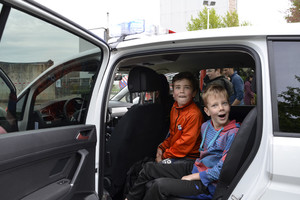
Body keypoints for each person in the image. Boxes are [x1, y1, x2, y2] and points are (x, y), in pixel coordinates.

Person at [125, 84, 240, 200]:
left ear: (229, 105)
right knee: (148, 168)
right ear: (207, 111)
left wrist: (193, 177)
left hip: (209, 184)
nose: (221, 108)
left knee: (159, 185)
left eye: (224, 103)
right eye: (215, 105)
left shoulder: (233, 133)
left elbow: (223, 170)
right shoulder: (205, 126)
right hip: (197, 166)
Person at [156, 72, 204, 163]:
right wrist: (162, 147)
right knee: (149, 166)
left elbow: (184, 144)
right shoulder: (174, 108)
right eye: (178, 87)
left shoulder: (194, 114)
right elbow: (173, 135)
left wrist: (164, 156)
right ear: (173, 93)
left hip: (190, 159)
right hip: (177, 154)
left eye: (186, 87)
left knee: (149, 170)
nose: (182, 91)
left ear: (194, 93)